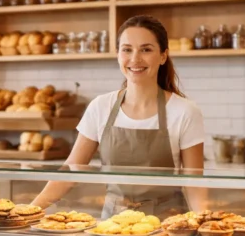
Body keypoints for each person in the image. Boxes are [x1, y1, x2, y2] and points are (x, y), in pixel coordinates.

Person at [32, 14, 205, 220]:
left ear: (163, 56)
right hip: (113, 227)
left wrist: (202, 228)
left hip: (167, 226)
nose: (135, 59)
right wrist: (30, 211)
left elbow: (194, 183)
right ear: (118, 55)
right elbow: (71, 170)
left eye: (146, 49)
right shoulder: (100, 107)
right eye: (127, 49)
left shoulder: (185, 111)